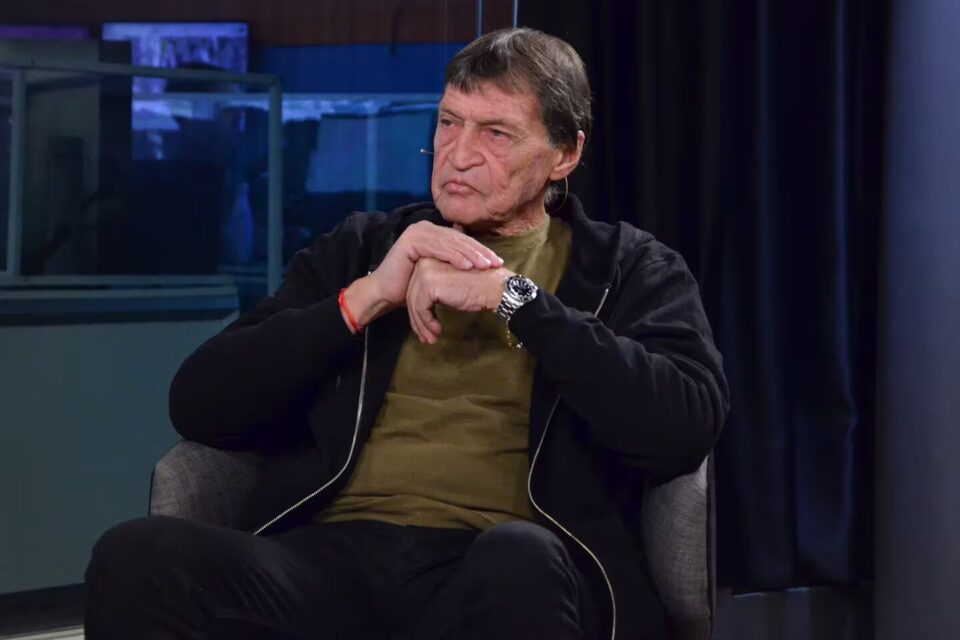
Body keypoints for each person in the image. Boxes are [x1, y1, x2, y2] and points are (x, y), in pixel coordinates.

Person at [84, 27, 728, 640]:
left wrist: (516, 300)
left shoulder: (627, 268)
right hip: (332, 557)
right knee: (137, 556)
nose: (458, 155)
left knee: (519, 560)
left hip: (499, 562)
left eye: (496, 133)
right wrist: (367, 297)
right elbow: (199, 401)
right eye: (449, 123)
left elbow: (686, 423)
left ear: (565, 154)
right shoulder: (363, 248)